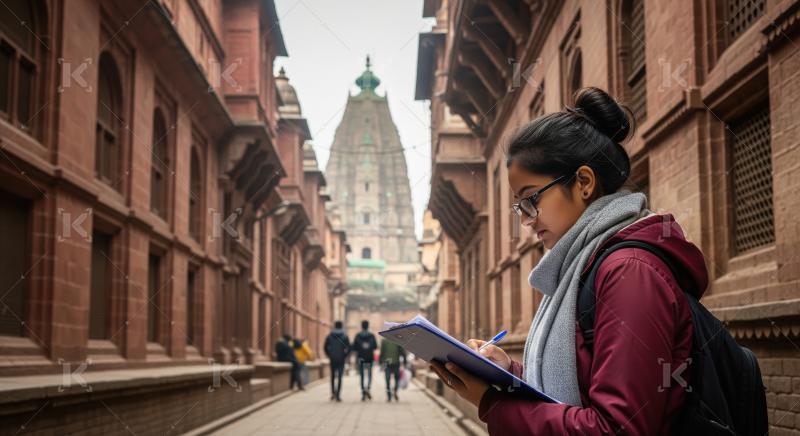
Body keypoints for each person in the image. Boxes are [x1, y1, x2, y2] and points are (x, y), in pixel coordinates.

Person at [429, 87, 704, 435]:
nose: (527, 219)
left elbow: (617, 428)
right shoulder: (583, 266)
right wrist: (509, 373)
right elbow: (581, 385)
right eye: (520, 207)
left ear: (584, 183)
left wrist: (494, 405)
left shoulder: (630, 273)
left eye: (531, 200)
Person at [324, 320, 350, 402]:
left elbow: (325, 347)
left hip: (332, 358)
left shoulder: (330, 335)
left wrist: (329, 355)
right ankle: (338, 395)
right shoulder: (345, 336)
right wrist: (344, 356)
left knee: (332, 376)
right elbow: (349, 348)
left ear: (335, 326)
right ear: (341, 326)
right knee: (339, 377)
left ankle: (333, 393)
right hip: (341, 358)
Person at [351, 320, 378, 401]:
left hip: (361, 358)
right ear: (368, 326)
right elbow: (375, 346)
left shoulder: (358, 335)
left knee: (362, 376)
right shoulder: (372, 335)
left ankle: (363, 392)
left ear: (362, 326)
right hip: (370, 358)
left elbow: (354, 347)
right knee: (369, 375)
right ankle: (368, 389)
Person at [379, 338, 406, 402]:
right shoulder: (397, 340)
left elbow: (382, 352)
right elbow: (402, 351)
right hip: (396, 363)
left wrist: (380, 363)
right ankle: (395, 390)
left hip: (386, 363)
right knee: (397, 379)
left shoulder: (384, 341)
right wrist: (405, 361)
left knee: (387, 380)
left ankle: (389, 396)